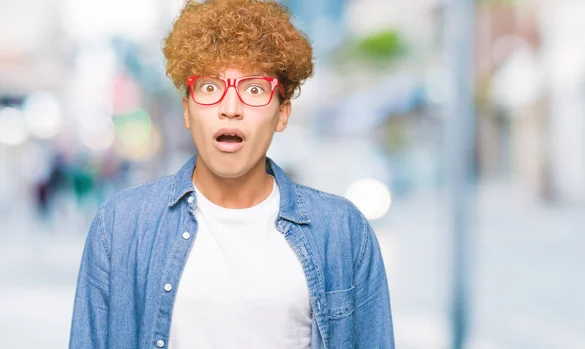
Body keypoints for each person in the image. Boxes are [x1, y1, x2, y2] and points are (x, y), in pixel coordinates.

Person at [68, 0, 395, 348]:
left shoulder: (343, 231)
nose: (230, 109)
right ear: (187, 111)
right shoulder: (120, 226)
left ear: (282, 112)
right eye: (210, 87)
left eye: (254, 90)